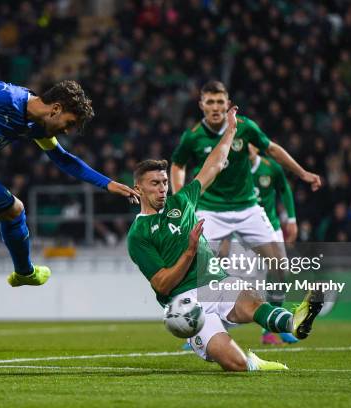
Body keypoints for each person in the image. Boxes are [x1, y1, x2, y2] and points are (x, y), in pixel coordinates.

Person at [0, 79, 139, 381]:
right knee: (15, 209)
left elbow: (63, 159)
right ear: (56, 109)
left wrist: (107, 183)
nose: (68, 131)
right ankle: (24, 272)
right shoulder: (4, 95)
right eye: (69, 123)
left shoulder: (36, 125)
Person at [128, 106, 323, 371]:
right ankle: (252, 362)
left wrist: (230, 130)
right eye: (155, 184)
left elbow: (215, 163)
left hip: (217, 283)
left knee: (252, 301)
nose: (163, 189)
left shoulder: (182, 201)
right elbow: (162, 285)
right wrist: (189, 252)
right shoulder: (137, 235)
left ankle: (294, 323)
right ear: (138, 189)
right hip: (187, 304)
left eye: (164, 182)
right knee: (237, 366)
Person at [170, 80, 320, 332]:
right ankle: (205, 328)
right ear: (201, 105)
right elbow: (177, 165)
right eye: (210, 102)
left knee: (278, 266)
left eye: (220, 101)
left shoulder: (245, 127)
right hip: (210, 210)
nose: (216, 107)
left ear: (228, 103)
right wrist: (181, 200)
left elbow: (271, 149)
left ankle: (281, 319)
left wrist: (302, 173)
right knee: (204, 270)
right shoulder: (193, 137)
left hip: (247, 208)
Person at [219, 144, 300, 345]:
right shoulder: (232, 170)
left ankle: (272, 328)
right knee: (235, 281)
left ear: (256, 146)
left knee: (281, 272)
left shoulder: (271, 167)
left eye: (249, 144)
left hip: (270, 227)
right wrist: (226, 237)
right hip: (242, 230)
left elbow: (285, 190)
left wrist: (291, 219)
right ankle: (208, 330)